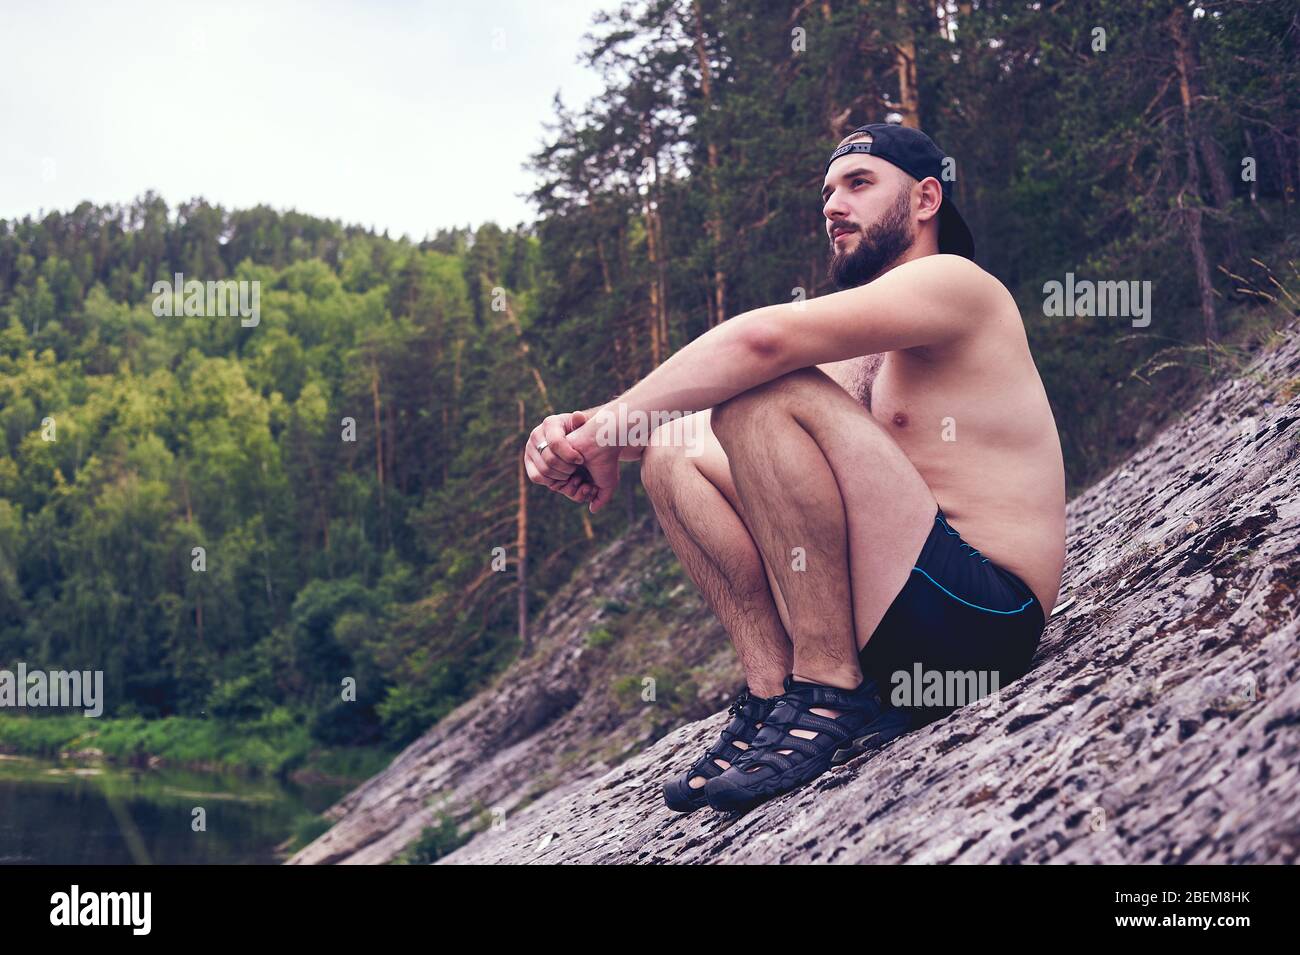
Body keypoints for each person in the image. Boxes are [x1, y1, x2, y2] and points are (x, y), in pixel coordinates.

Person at [523, 123, 1066, 813]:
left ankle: (829, 687)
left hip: (980, 621)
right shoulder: (867, 338)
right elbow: (725, 439)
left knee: (764, 390)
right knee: (674, 455)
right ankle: (775, 695)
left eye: (859, 184)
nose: (833, 205)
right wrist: (586, 437)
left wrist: (602, 427)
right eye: (828, 192)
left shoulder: (959, 285)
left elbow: (761, 343)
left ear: (927, 199)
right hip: (903, 625)